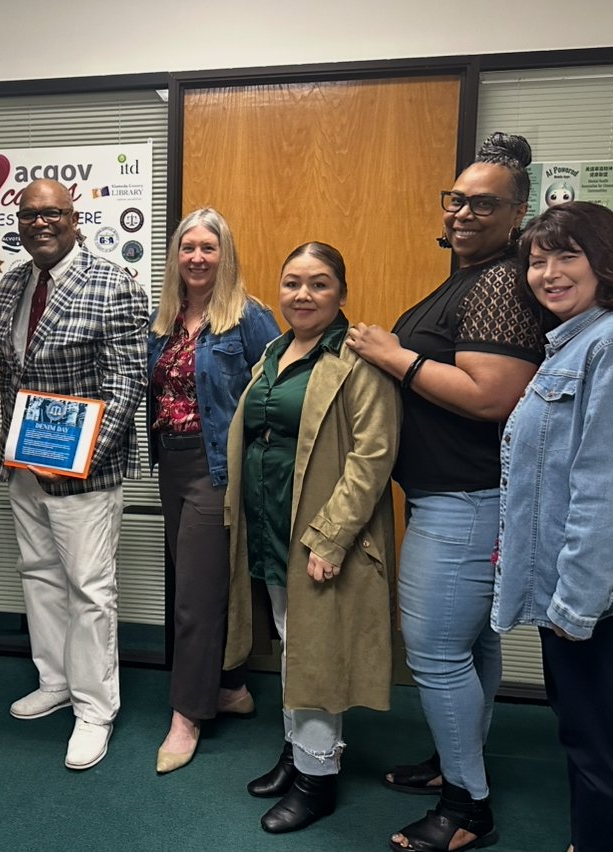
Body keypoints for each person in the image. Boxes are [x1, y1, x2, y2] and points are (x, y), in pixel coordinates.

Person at [347, 132, 549, 851]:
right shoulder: (469, 274)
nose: (463, 212)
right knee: (473, 647)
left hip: (464, 500)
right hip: (465, 496)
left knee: (434, 652)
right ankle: (457, 765)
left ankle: (468, 807)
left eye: (483, 203)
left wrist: (391, 355)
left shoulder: (497, 279)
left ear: (518, 212)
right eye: (456, 198)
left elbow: (491, 394)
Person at [224, 242, 400, 833]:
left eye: (320, 284)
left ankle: (317, 781)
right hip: (272, 525)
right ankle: (297, 754)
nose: (303, 295)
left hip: (319, 534)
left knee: (314, 651)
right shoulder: (272, 353)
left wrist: (330, 537)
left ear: (342, 294)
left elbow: (373, 458)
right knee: (289, 640)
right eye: (293, 282)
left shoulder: (358, 361)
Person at [494, 202, 613, 852]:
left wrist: (575, 605)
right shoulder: (578, 340)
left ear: (604, 260)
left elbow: (610, 492)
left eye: (566, 255)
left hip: (606, 604)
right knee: (593, 739)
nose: (547, 273)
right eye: (535, 260)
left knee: (600, 750)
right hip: (584, 597)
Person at [0, 178, 148, 770]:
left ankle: (94, 707)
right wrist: (14, 452)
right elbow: (12, 374)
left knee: (89, 588)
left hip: (84, 472)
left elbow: (127, 384)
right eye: (30, 214)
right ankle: (56, 681)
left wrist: (77, 458)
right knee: (38, 575)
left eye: (53, 213)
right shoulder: (13, 283)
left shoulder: (113, 282)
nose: (41, 223)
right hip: (24, 465)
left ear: (74, 217)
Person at [147, 208, 279, 774]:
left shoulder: (247, 317)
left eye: (208, 247)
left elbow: (280, 385)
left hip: (214, 469)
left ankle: (187, 715)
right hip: (170, 465)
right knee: (198, 582)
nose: (197, 257)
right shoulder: (167, 319)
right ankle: (229, 685)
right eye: (187, 247)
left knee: (194, 599)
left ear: (225, 255)